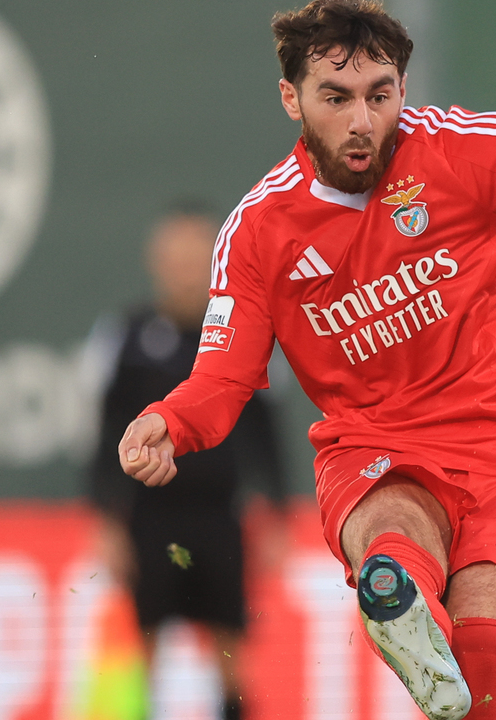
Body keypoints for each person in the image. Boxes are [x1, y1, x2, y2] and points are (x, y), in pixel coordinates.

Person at [115, 1, 496, 718]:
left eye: (380, 95)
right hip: (374, 447)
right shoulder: (260, 230)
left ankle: (417, 622)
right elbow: (225, 378)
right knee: (393, 545)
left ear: (403, 90)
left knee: (484, 653)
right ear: (291, 98)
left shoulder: (462, 148)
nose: (363, 120)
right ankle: (395, 596)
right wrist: (173, 421)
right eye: (337, 97)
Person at [88, 203, 289, 720]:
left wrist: (278, 516)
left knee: (229, 648)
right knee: (144, 646)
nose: (184, 269)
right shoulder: (126, 338)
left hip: (219, 517)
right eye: (174, 257)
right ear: (156, 261)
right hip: (150, 518)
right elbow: (104, 433)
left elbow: (266, 431)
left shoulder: (240, 334)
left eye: (195, 257)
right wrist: (104, 523)